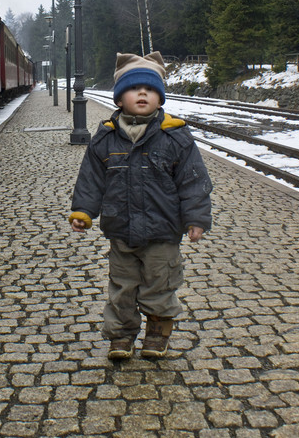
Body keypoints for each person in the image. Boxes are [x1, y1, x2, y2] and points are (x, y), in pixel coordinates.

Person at [69, 51, 213, 360]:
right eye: (135, 89)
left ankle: (157, 334)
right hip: (121, 230)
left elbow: (193, 181)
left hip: (163, 231)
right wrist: (83, 211)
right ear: (120, 98)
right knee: (122, 287)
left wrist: (196, 218)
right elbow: (91, 180)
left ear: (160, 98)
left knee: (159, 286)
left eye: (150, 89)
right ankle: (121, 336)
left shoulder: (175, 137)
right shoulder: (105, 138)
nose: (143, 93)